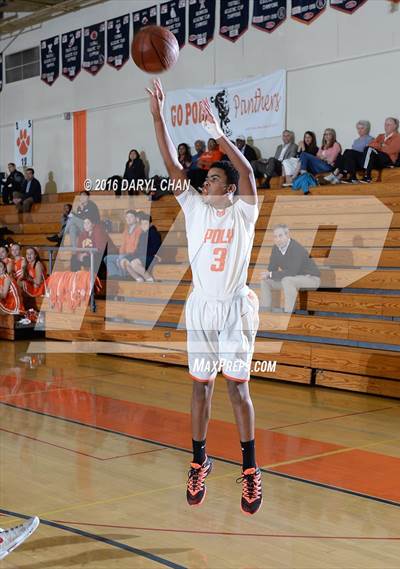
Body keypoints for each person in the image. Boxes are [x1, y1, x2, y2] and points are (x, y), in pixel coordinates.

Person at [147, 78, 262, 515]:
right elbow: (171, 164)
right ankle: (199, 460)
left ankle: (251, 470)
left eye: (212, 178)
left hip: (233, 308)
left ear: (227, 188)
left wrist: (220, 136)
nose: (204, 181)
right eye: (206, 178)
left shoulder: (244, 212)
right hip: (200, 308)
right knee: (200, 391)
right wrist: (160, 117)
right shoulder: (194, 207)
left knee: (238, 392)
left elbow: (248, 173)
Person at [260, 225, 321, 313]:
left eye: (280, 236)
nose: (277, 239)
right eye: (275, 236)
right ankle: (266, 311)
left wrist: (270, 274)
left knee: (287, 280)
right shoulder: (275, 248)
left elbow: (292, 272)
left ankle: (289, 313)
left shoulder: (296, 248)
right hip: (293, 279)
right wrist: (267, 274)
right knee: (265, 281)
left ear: (287, 235)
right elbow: (272, 269)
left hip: (311, 279)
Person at [359, 117, 400, 183]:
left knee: (369, 150)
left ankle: (367, 176)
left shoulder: (399, 137)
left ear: (395, 126)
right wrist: (381, 145)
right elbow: (370, 144)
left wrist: (378, 146)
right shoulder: (380, 136)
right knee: (351, 152)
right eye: (385, 124)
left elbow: (391, 150)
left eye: (389, 125)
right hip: (378, 158)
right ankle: (350, 176)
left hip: (389, 159)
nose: (386, 126)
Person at [122, 212, 161, 282]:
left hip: (152, 257)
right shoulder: (142, 234)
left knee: (134, 263)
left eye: (145, 223)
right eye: (142, 224)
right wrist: (129, 257)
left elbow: (156, 249)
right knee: (125, 262)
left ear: (150, 224)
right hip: (142, 256)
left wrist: (140, 254)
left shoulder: (154, 233)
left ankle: (149, 278)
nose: (143, 226)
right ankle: (139, 279)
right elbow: (138, 249)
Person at [105, 209, 142, 278]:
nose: (128, 219)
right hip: (125, 255)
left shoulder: (139, 230)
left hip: (134, 255)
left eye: (131, 217)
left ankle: (126, 276)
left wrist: (124, 256)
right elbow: (123, 246)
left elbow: (137, 246)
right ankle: (115, 275)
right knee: (107, 258)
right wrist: (121, 254)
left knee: (122, 259)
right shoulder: (126, 231)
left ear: (136, 219)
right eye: (127, 217)